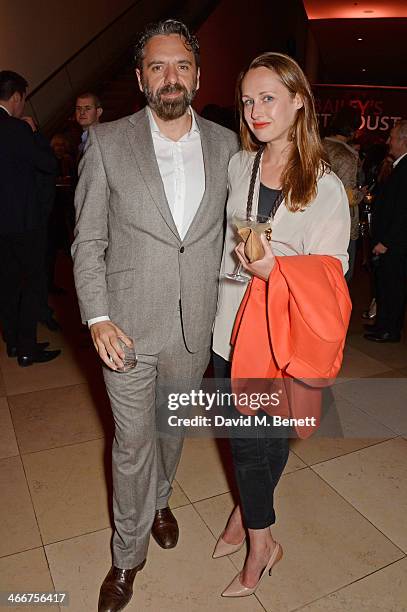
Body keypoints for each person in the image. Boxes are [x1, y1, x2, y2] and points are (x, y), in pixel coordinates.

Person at [71, 19, 238, 612]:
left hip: (197, 327)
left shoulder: (228, 147)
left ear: (199, 74)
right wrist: (97, 318)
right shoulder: (109, 143)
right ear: (141, 78)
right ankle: (126, 555)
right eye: (159, 66)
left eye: (182, 65)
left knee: (172, 433)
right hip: (127, 330)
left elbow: (234, 238)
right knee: (133, 443)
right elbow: (87, 242)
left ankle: (162, 498)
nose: (172, 77)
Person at [212, 53, 351, 597]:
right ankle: (244, 515)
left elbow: (333, 275)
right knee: (251, 440)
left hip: (280, 339)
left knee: (254, 443)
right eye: (248, 100)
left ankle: (261, 544)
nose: (255, 111)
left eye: (268, 97)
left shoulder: (325, 187)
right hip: (229, 326)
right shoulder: (238, 168)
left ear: (299, 101)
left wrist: (276, 269)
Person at [0, 70, 61, 366]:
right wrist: (34, 132)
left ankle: (12, 342)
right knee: (34, 282)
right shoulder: (18, 129)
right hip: (25, 223)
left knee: (7, 284)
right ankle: (27, 347)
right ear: (16, 97)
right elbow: (49, 164)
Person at [364, 120, 407, 343]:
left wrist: (386, 242)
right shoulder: (399, 165)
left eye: (392, 137)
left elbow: (403, 213)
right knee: (384, 285)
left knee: (392, 287)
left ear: (403, 140)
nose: (388, 142)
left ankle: (389, 329)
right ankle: (383, 324)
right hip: (389, 241)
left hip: (395, 245)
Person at [323, 106, 365, 283]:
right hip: (339, 224)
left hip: (313, 218)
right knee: (340, 276)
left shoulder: (317, 145)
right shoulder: (346, 155)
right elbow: (348, 197)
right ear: (353, 129)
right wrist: (361, 193)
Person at [75, 91, 103, 158]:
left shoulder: (103, 138)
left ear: (99, 112)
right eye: (78, 108)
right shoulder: (83, 140)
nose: (82, 112)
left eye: (88, 108)